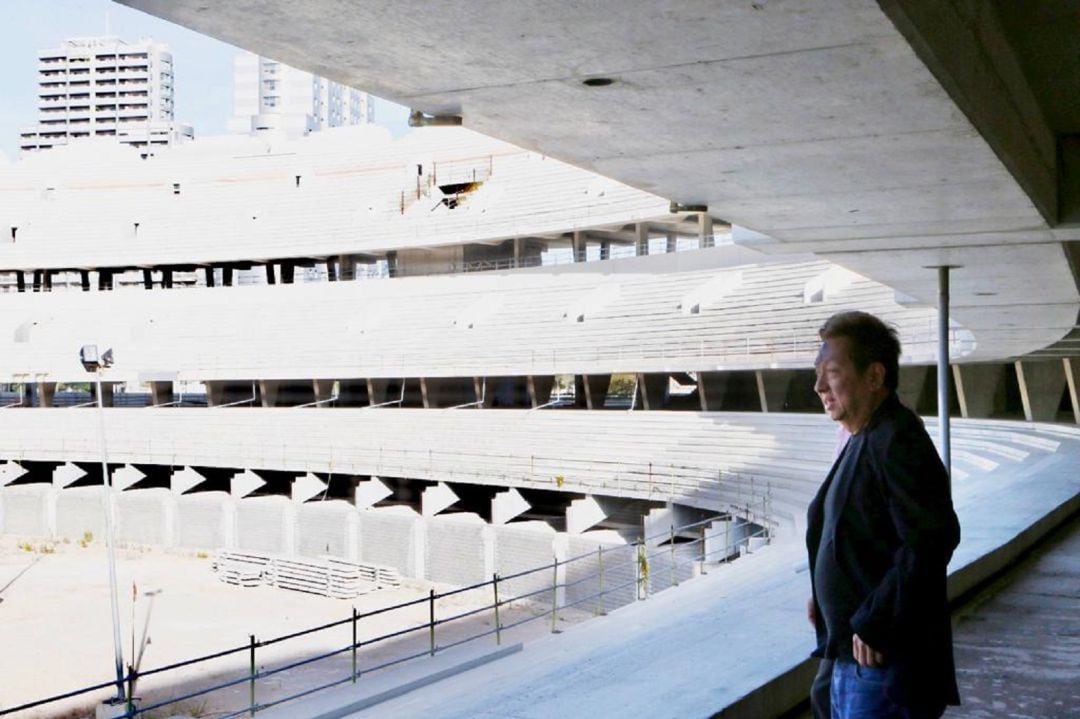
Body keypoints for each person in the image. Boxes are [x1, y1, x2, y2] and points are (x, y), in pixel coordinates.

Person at [806, 311, 961, 718]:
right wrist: (825, 597)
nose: (819, 385)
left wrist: (876, 620)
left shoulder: (896, 439)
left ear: (874, 377)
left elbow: (933, 536)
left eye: (832, 372)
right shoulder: (867, 435)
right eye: (818, 373)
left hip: (882, 664)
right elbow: (864, 532)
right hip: (856, 657)